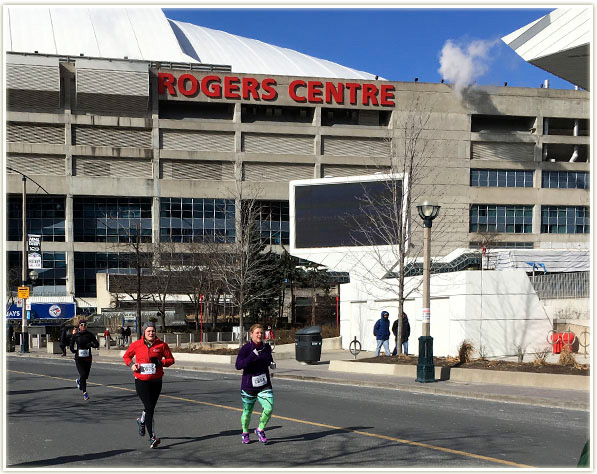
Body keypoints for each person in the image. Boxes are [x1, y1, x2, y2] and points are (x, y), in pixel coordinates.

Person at [123, 321, 175, 449]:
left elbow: (171, 360)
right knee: (149, 407)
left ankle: (141, 420)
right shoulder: (136, 345)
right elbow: (126, 357)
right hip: (141, 380)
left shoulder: (162, 345)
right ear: (144, 333)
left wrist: (161, 362)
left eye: (153, 331)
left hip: (156, 381)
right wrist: (132, 365)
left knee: (150, 408)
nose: (151, 333)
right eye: (148, 331)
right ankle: (152, 437)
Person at [235, 323, 275, 445]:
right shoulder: (246, 349)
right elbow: (238, 365)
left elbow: (269, 360)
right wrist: (252, 356)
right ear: (251, 334)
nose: (259, 335)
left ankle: (260, 429)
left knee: (269, 408)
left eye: (261, 333)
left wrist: (272, 364)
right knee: (247, 412)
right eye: (257, 333)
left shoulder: (266, 347)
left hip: (264, 384)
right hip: (249, 386)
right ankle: (245, 433)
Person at [69, 319, 99, 401]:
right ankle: (85, 393)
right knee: (82, 374)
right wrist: (74, 351)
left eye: (85, 325)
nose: (83, 326)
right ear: (79, 326)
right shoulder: (76, 335)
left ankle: (79, 381)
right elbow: (71, 345)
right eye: (82, 325)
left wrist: (91, 344)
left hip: (88, 357)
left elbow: (97, 344)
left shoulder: (89, 335)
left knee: (85, 376)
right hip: (79, 358)